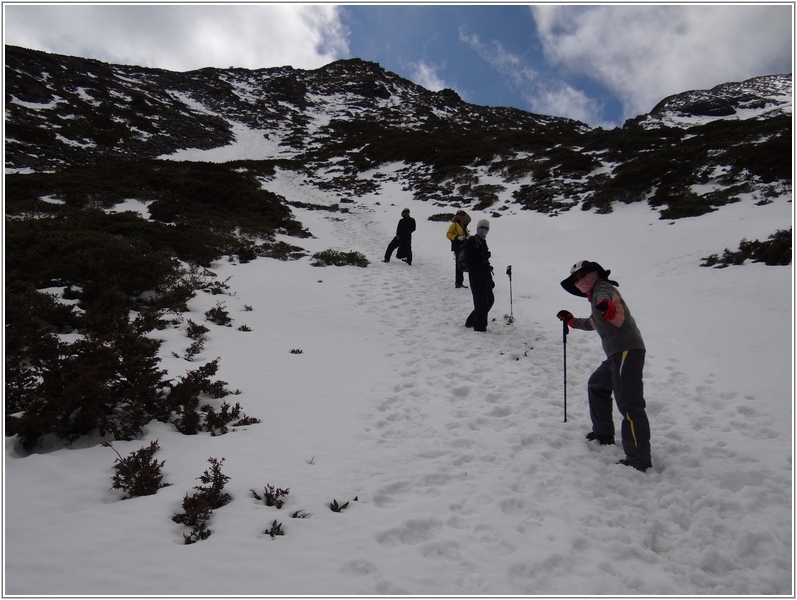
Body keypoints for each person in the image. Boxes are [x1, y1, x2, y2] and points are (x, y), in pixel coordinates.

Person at [557, 260, 652, 472]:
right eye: (577, 279)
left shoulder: (603, 289)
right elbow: (593, 322)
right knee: (597, 385)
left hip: (627, 350)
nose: (581, 281)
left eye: (584, 275)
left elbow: (604, 297)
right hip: (616, 354)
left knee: (629, 403)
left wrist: (605, 303)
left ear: (596, 273)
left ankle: (638, 457)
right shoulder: (597, 302)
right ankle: (603, 433)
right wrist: (572, 321)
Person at [463, 219, 494, 332]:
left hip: (485, 274)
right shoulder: (472, 240)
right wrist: (475, 273)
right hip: (476, 275)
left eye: (486, 228)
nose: (484, 230)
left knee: (489, 299)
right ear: (477, 228)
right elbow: (468, 258)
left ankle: (472, 320)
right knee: (481, 301)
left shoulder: (483, 241)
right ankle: (480, 326)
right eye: (482, 227)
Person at [446, 210, 471, 288]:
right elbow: (448, 234)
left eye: (463, 215)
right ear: (457, 215)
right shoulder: (454, 225)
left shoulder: (463, 225)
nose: (462, 216)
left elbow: (466, 234)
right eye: (460, 214)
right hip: (458, 246)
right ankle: (458, 282)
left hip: (463, 246)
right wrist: (457, 237)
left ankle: (460, 282)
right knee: (458, 264)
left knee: (461, 263)